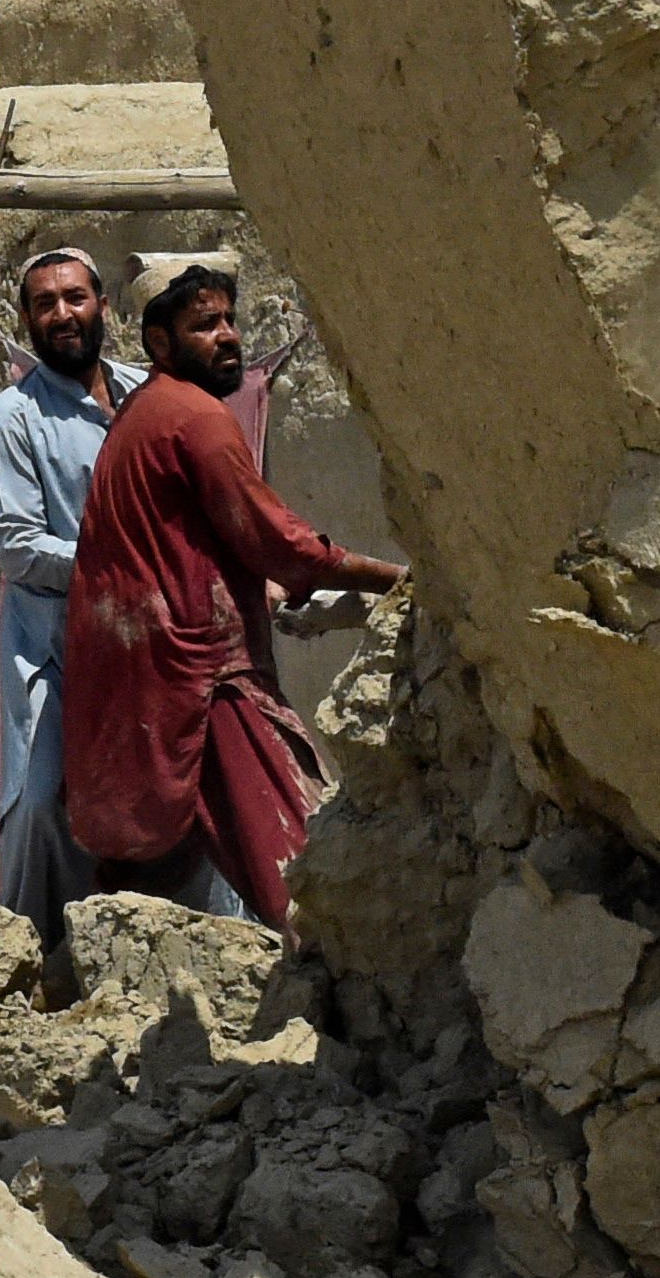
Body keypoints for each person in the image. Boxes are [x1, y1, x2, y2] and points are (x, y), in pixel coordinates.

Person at [59, 265, 408, 928]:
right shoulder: (194, 417)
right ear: (159, 344)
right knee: (303, 868)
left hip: (145, 679)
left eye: (228, 321)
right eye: (204, 325)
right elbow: (282, 542)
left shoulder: (144, 413)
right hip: (204, 679)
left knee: (145, 886)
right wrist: (392, 579)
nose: (227, 337)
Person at [0, 245, 135, 954]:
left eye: (74, 298)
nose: (62, 314)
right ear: (27, 321)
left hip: (145, 646)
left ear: (103, 305)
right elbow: (19, 548)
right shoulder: (9, 419)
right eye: (45, 303)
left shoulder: (146, 396)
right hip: (54, 654)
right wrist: (128, 568)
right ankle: (27, 962)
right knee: (40, 803)